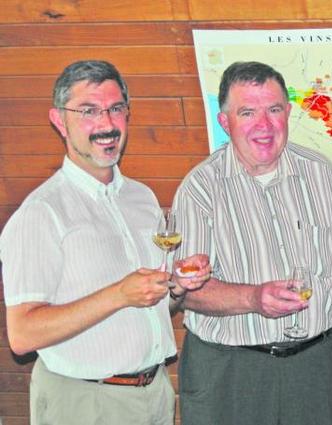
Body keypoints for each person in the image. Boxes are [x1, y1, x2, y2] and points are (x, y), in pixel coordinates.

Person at [172, 61, 332, 425]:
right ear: (225, 122)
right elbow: (186, 293)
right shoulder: (199, 189)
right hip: (230, 373)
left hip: (316, 367)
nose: (264, 125)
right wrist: (253, 298)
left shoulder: (322, 174)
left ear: (288, 112)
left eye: (273, 110)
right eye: (247, 112)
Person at [0, 60, 210, 425]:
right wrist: (119, 294)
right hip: (83, 401)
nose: (107, 125)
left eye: (115, 109)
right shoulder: (41, 213)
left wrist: (176, 285)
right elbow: (22, 335)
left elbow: (152, 301)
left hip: (154, 393)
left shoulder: (141, 198)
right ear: (58, 120)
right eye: (88, 111)